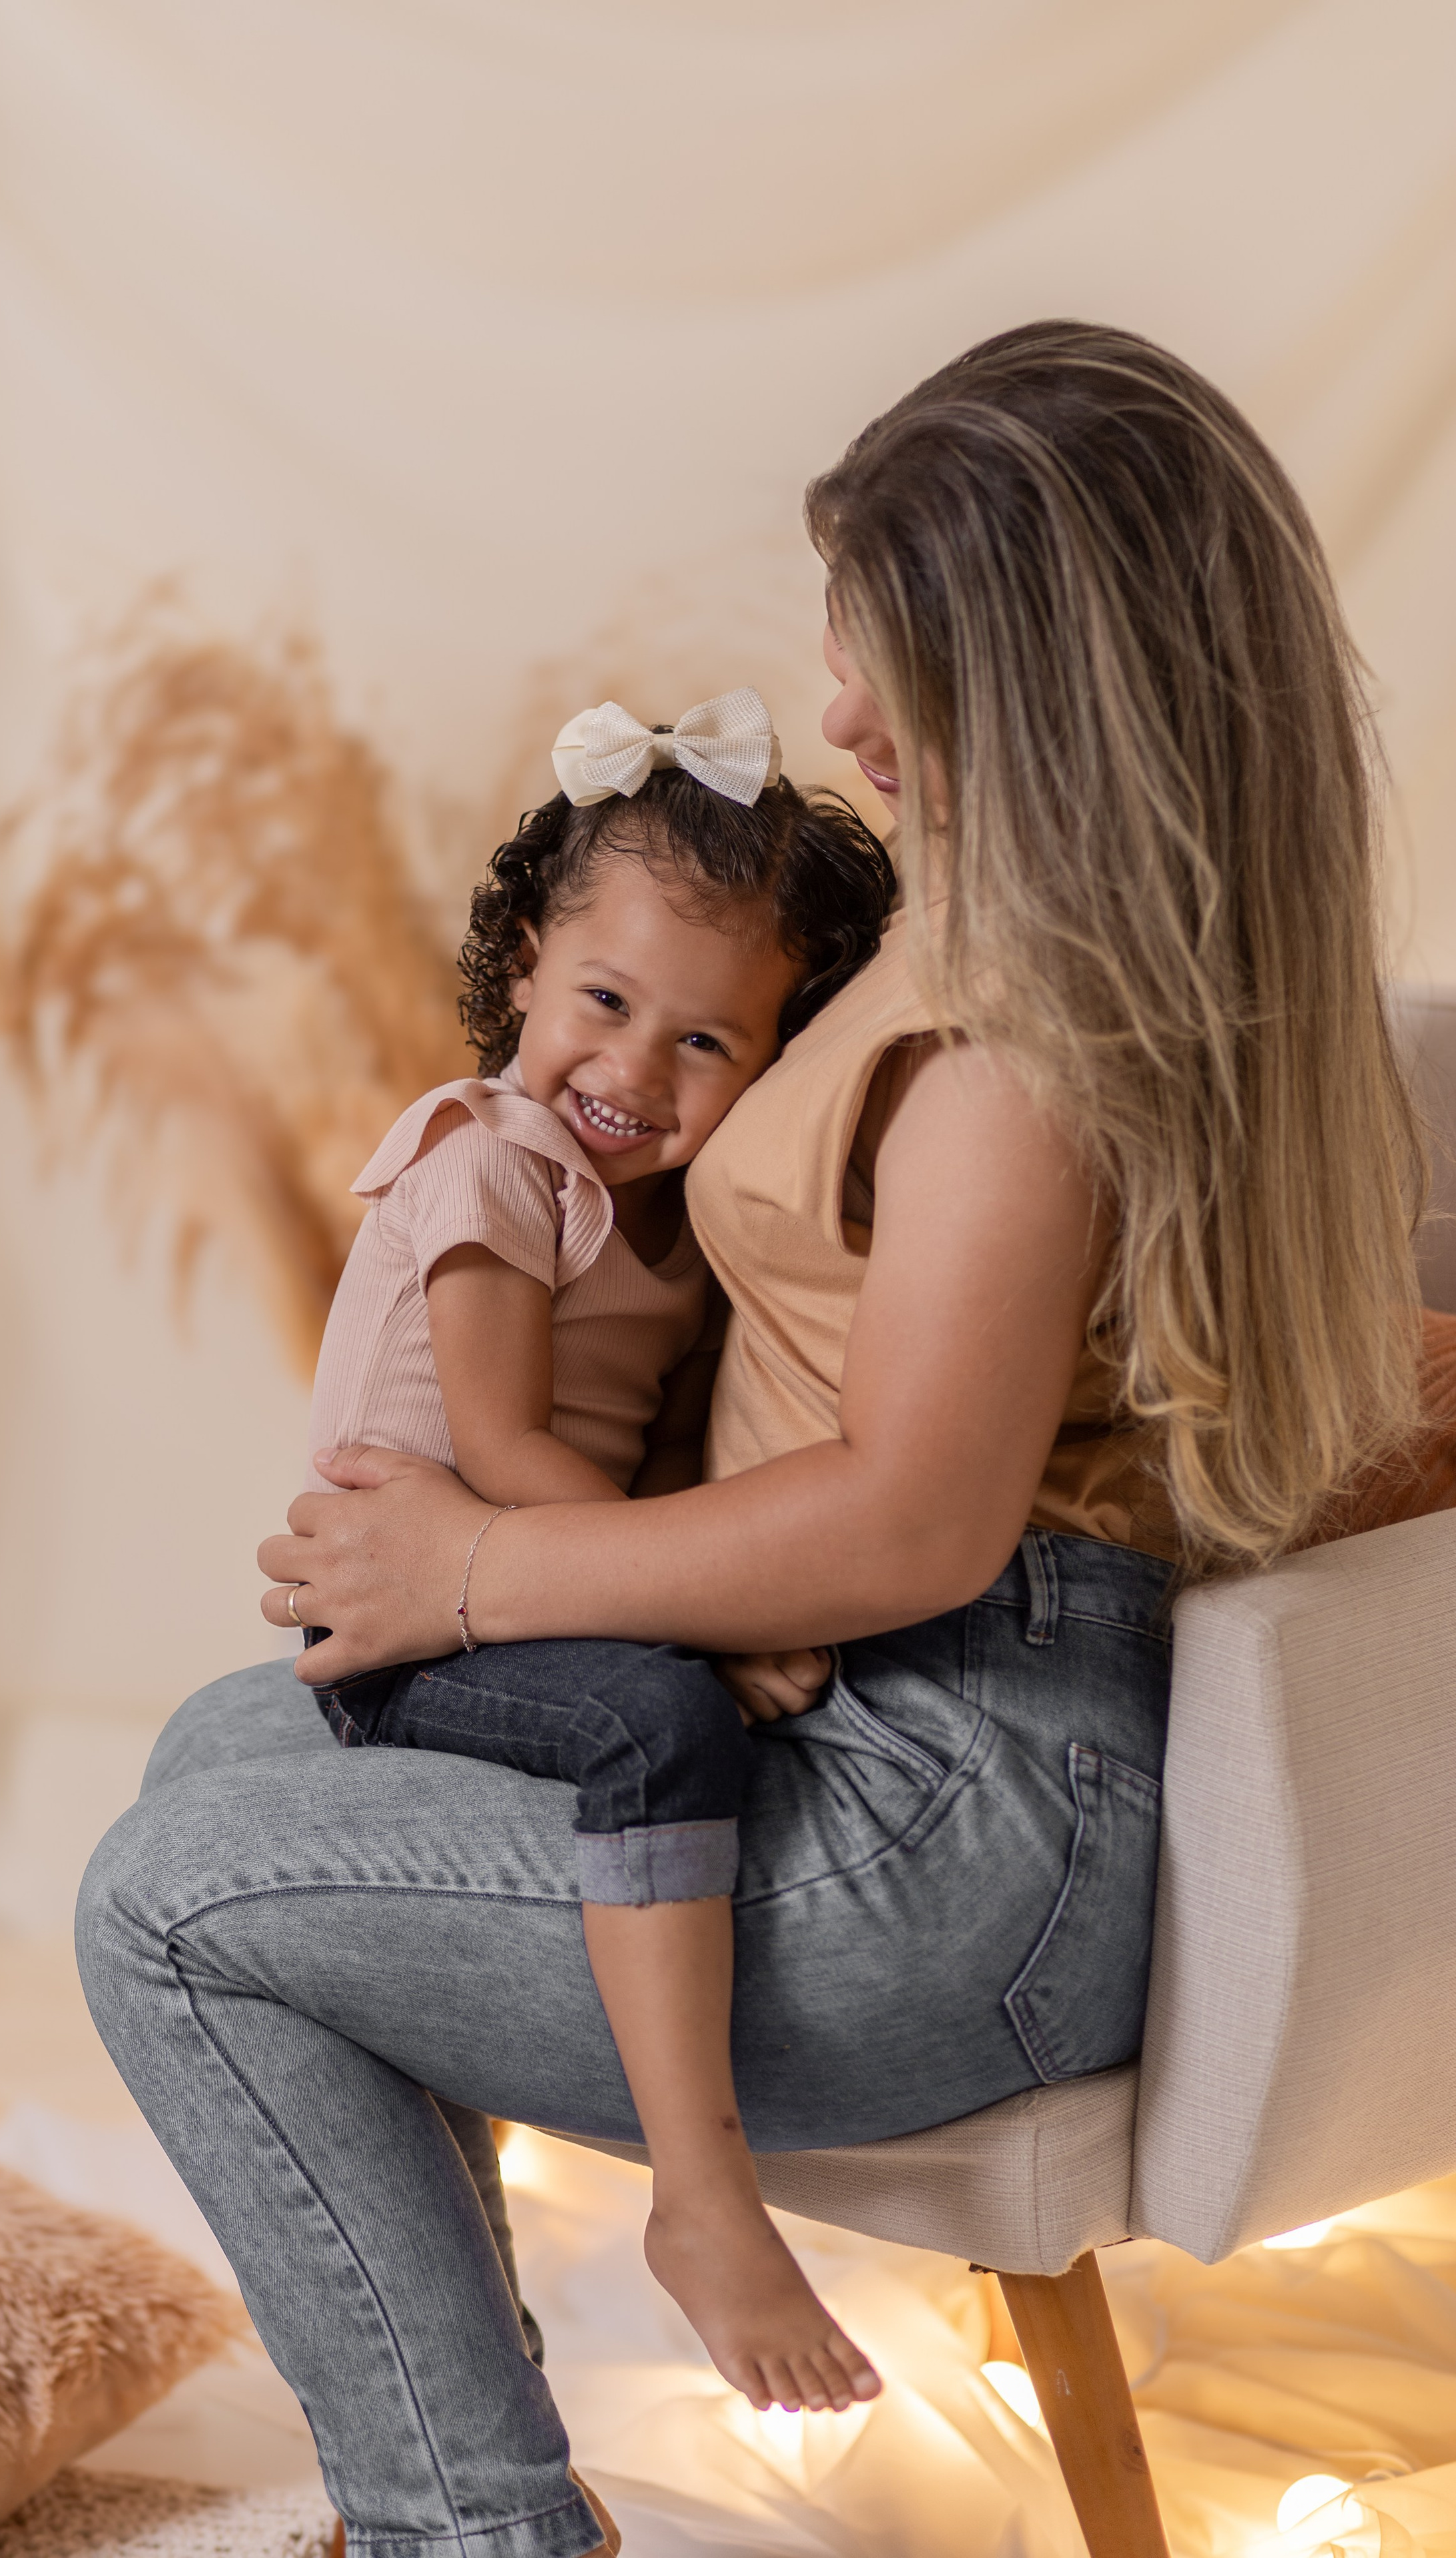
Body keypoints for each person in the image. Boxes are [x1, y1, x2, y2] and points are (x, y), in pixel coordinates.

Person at [77, 322, 1426, 2558]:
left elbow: (915, 1516)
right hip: (890, 1743)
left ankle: (470, 2530)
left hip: (956, 1821)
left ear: (1035, 673)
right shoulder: (969, 939)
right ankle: (465, 2468)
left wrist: (480, 1572)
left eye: (888, 654)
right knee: (229, 1768)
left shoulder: (1023, 1048)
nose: (844, 716)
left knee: (169, 1905)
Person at [294, 687, 892, 2412]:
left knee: (660, 1700)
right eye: (605, 1005)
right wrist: (713, 1619)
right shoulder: (489, 1160)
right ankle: (702, 2201)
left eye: (706, 1044)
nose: (633, 1073)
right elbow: (493, 1452)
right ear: (526, 974)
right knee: (661, 1722)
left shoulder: (676, 1220)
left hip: (529, 1602)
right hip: (404, 1627)